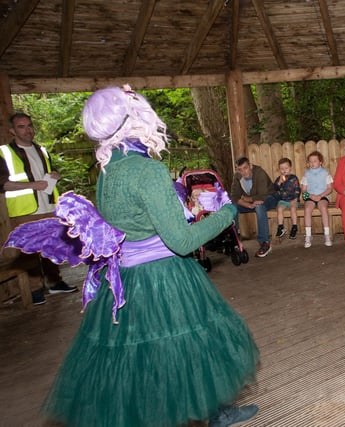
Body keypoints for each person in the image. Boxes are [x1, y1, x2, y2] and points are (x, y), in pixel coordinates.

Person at [34, 86, 260, 427]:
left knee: (152, 355)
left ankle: (215, 412)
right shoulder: (147, 170)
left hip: (126, 280)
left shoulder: (107, 171)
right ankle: (213, 413)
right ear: (136, 120)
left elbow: (135, 222)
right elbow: (182, 242)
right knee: (191, 343)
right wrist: (226, 214)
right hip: (163, 277)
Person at [0, 112, 78, 305]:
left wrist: (54, 176)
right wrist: (32, 186)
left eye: (29, 125)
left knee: (52, 246)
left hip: (48, 206)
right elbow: (3, 184)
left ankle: (55, 282)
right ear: (12, 131)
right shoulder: (4, 153)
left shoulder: (42, 150)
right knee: (28, 251)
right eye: (21, 127)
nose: (28, 130)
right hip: (25, 210)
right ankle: (34, 291)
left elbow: (44, 176)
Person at [230, 157, 278, 257]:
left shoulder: (259, 173)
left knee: (259, 206)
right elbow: (234, 197)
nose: (243, 172)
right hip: (252, 202)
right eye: (240, 169)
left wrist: (246, 199)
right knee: (232, 207)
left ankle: (265, 243)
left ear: (250, 166)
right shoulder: (237, 176)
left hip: (270, 198)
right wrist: (248, 204)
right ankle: (235, 241)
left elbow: (262, 196)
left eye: (245, 168)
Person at [300, 150, 334, 248]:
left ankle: (327, 235)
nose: (312, 163)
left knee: (323, 208)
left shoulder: (325, 173)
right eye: (310, 161)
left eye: (315, 161)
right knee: (307, 209)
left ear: (320, 162)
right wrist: (311, 196)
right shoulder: (307, 174)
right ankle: (308, 235)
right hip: (310, 196)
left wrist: (320, 195)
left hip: (322, 195)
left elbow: (330, 188)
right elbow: (304, 190)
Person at [273, 157, 300, 240]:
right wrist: (279, 183)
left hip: (293, 200)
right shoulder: (279, 178)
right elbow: (275, 188)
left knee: (293, 209)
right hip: (283, 200)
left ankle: (294, 227)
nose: (284, 170)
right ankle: (281, 227)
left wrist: (295, 199)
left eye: (286, 168)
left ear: (290, 168)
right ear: (279, 169)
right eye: (281, 168)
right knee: (279, 209)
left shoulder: (293, 178)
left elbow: (297, 189)